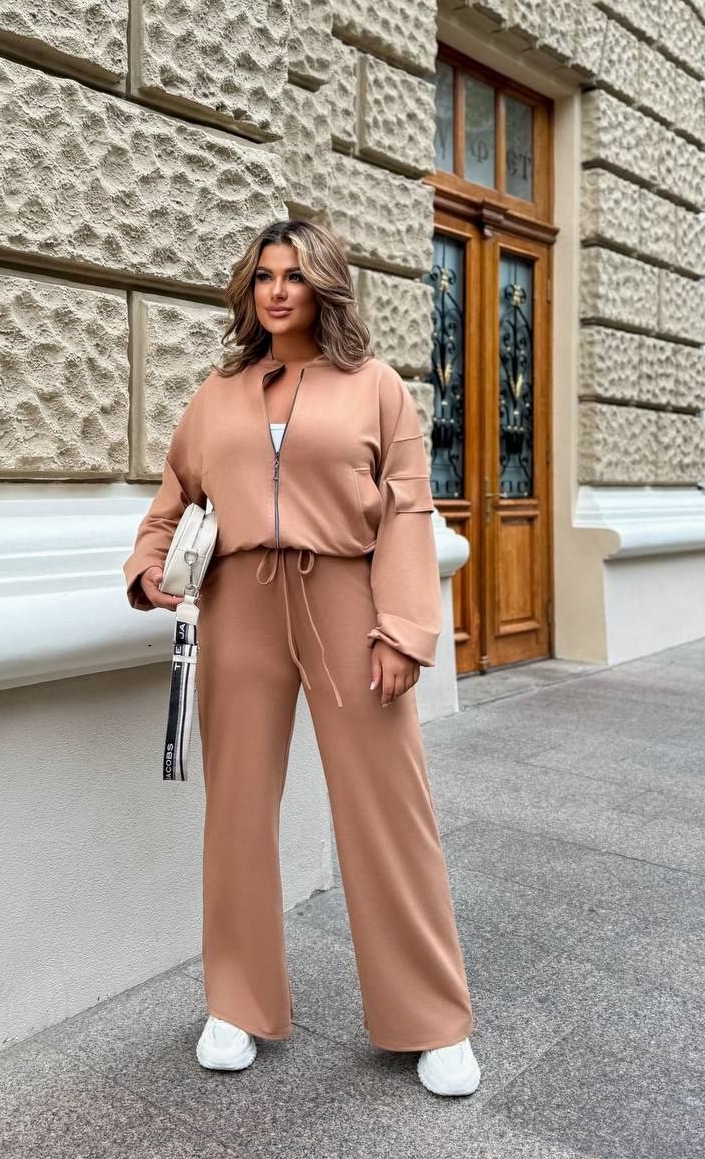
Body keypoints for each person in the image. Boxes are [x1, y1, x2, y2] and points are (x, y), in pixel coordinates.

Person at [122, 219, 479, 1097]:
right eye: (264, 277)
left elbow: (407, 509)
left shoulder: (376, 386)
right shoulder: (219, 393)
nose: (278, 291)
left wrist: (403, 628)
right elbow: (175, 497)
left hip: (346, 599)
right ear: (249, 291)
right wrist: (146, 563)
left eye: (294, 276)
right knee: (238, 807)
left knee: (389, 808)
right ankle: (235, 1003)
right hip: (239, 603)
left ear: (325, 286)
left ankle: (433, 1020)